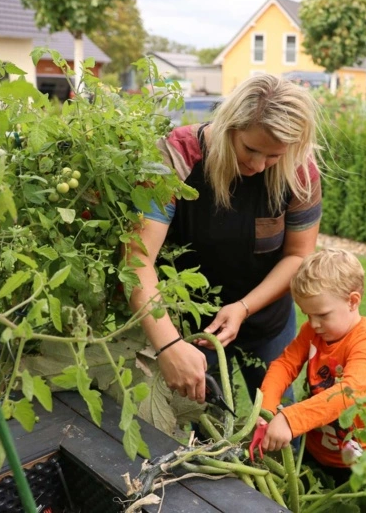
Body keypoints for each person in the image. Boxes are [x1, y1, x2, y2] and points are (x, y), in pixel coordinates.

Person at [127, 74, 322, 405]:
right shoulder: (177, 158)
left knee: (277, 418)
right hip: (190, 327)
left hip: (268, 323)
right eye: (250, 148)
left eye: (274, 156)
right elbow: (137, 258)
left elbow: (298, 256)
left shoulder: (299, 170)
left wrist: (244, 308)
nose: (259, 165)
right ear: (230, 124)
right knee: (204, 428)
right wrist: (169, 345)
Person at [256, 248, 366, 486]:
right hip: (316, 451)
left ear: (352, 301)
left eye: (322, 315)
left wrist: (290, 419)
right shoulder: (313, 331)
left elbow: (351, 393)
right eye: (307, 315)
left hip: (360, 462)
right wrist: (266, 409)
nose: (314, 324)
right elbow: (285, 365)